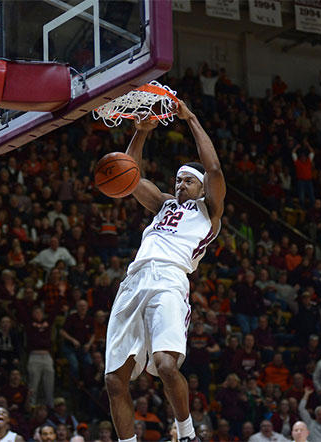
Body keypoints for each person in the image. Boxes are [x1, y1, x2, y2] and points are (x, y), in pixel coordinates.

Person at [104, 101, 226, 442]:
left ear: (201, 188)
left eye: (188, 180)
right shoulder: (164, 205)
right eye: (178, 180)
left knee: (166, 364)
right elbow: (129, 177)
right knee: (114, 381)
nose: (180, 184)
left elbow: (214, 169)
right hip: (134, 280)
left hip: (170, 278)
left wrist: (192, 118)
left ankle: (186, 434)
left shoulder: (209, 211)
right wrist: (141, 133)